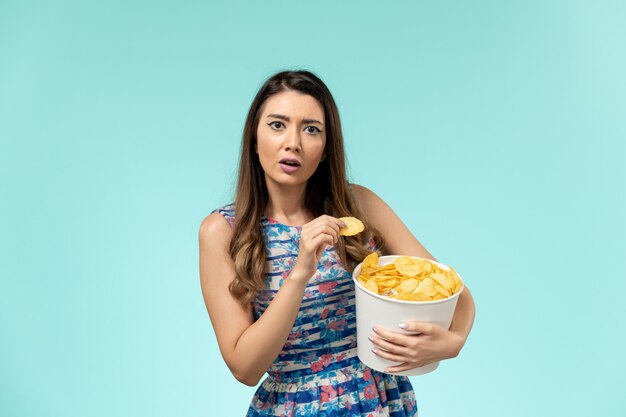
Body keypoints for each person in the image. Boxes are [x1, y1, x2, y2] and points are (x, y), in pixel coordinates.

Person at [199, 70, 475, 416]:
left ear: (327, 147)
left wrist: (453, 343)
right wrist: (300, 272)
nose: (293, 142)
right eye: (277, 125)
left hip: (381, 402)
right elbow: (244, 368)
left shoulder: (360, 205)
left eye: (311, 128)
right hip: (294, 407)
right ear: (254, 139)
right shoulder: (223, 231)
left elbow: (456, 295)